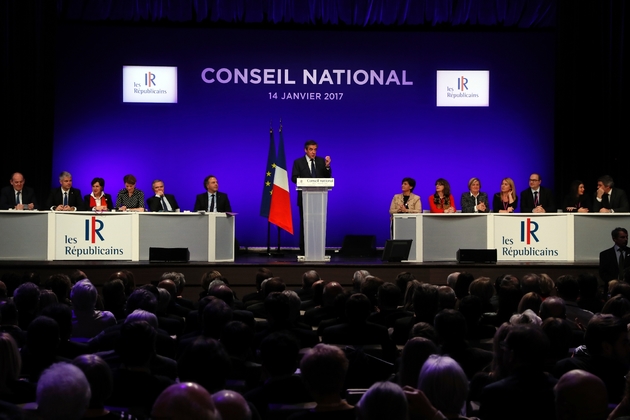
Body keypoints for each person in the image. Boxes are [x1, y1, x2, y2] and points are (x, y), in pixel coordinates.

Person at [291, 140, 332, 252]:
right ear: (305, 150)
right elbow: (294, 178)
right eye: (311, 149)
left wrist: (327, 166)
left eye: (315, 149)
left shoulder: (321, 161)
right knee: (305, 223)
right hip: (305, 198)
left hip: (319, 199)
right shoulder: (298, 162)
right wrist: (305, 181)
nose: (313, 152)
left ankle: (318, 248)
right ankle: (304, 249)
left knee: (318, 223)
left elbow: (327, 177)